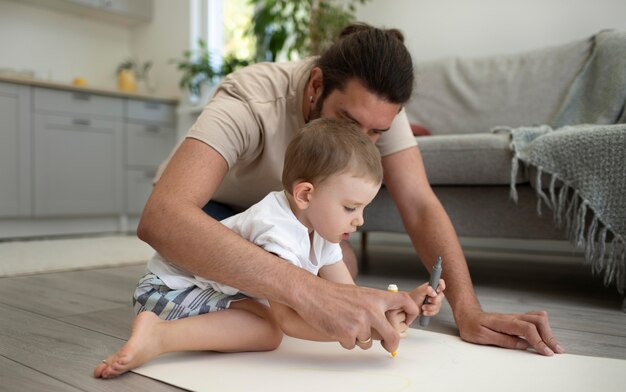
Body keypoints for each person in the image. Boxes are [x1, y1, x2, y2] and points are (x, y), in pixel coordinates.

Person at [129, 22, 563, 359]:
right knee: (297, 296)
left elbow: (418, 204)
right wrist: (310, 294)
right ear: (316, 86)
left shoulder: (373, 115)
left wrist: (468, 311)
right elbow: (163, 217)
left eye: (377, 131)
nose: (363, 137)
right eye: (348, 121)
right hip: (217, 213)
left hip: (301, 216)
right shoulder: (251, 99)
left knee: (340, 257)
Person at [94, 119, 446, 378]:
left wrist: (399, 305)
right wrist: (356, 332)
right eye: (351, 208)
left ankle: (161, 332)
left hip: (205, 290)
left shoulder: (323, 228)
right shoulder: (276, 228)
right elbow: (289, 320)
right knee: (268, 330)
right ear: (306, 194)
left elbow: (347, 297)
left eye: (363, 209)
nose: (359, 221)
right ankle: (159, 335)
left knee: (263, 318)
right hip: (168, 292)